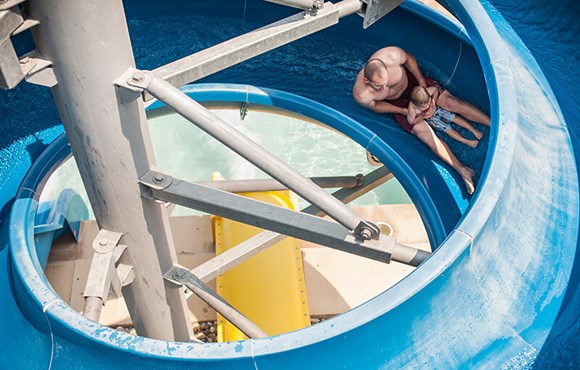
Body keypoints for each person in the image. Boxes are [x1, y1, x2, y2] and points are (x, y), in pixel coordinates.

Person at [352, 46, 491, 194]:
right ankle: (463, 170)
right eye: (379, 87)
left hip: (415, 86)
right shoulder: (362, 94)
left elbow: (409, 59)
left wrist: (421, 81)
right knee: (425, 135)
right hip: (398, 103)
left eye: (387, 82)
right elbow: (377, 106)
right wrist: (402, 111)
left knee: (452, 103)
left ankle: (493, 123)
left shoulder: (391, 55)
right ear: (367, 80)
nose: (385, 87)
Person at [407, 85, 483, 148]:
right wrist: (422, 116)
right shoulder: (412, 109)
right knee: (448, 130)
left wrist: (433, 101)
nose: (427, 106)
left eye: (428, 102)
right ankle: (467, 141)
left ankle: (474, 130)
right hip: (432, 119)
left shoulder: (426, 93)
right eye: (423, 107)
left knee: (455, 118)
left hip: (437, 110)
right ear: (416, 104)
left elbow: (435, 89)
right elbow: (411, 121)